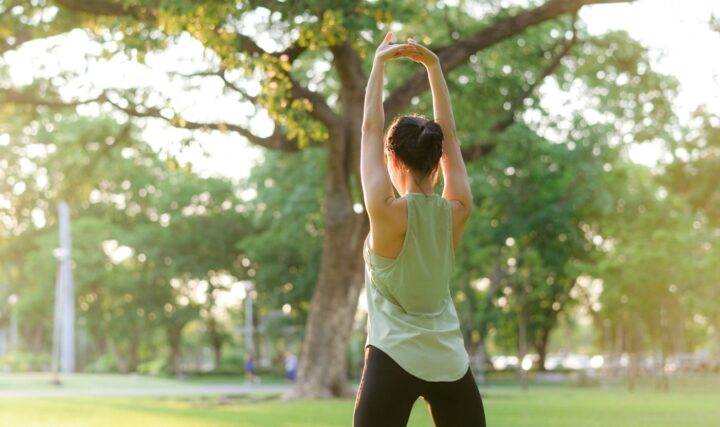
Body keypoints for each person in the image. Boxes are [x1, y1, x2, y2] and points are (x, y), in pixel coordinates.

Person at [353, 32, 486, 427]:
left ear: (391, 159)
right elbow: (453, 138)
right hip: (448, 360)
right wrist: (434, 66)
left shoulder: (385, 211)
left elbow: (368, 131)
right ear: (437, 157)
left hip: (391, 357)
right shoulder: (457, 210)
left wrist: (378, 64)